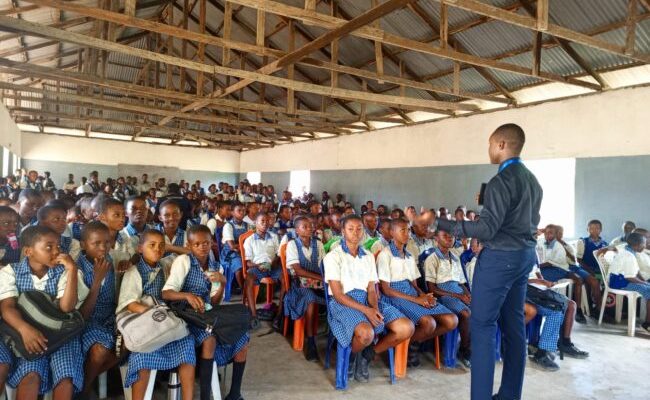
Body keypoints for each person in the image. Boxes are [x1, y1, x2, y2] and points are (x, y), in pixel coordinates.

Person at [433, 123, 542, 400]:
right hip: (523, 256)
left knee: (482, 327)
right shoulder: (532, 180)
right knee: (514, 326)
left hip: (499, 259)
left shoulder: (500, 181)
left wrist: (440, 223)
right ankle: (509, 395)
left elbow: (486, 230)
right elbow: (527, 221)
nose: (490, 150)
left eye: (491, 144)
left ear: (502, 145)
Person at [162, 225, 249, 400]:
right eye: (197, 244)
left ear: (212, 243)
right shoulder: (184, 261)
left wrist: (222, 283)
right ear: (189, 245)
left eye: (206, 243)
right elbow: (166, 293)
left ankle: (235, 393)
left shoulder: (216, 267)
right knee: (209, 338)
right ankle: (205, 395)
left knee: (243, 336)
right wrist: (187, 295)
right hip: (186, 316)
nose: (202, 247)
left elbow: (214, 302)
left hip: (208, 314)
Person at [0, 226, 87, 399]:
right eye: (49, 247)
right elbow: (7, 308)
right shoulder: (10, 271)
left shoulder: (66, 272)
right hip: (27, 337)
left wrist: (71, 271)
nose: (56, 251)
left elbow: (67, 307)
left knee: (65, 378)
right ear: (28, 251)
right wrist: (25, 330)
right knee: (31, 376)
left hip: (61, 336)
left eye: (59, 247)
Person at [324, 215, 413, 383]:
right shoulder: (333, 257)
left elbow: (372, 289)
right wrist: (367, 311)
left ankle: (367, 355)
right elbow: (338, 295)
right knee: (366, 333)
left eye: (359, 229)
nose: (355, 233)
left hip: (368, 300)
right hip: (344, 303)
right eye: (350, 229)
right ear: (343, 231)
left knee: (406, 328)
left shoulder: (368, 256)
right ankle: (351, 358)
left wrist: (375, 309)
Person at [117, 229, 196, 400]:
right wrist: (153, 314)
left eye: (161, 246)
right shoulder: (134, 271)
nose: (157, 249)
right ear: (140, 248)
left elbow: (192, 253)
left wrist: (169, 247)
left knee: (187, 342)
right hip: (146, 321)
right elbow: (130, 303)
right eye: (151, 245)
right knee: (141, 356)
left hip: (165, 322)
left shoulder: (167, 264)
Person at [378, 218, 457, 368]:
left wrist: (422, 295)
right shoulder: (385, 255)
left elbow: (414, 284)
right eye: (402, 230)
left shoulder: (408, 255)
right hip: (394, 296)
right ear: (392, 232)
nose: (407, 233)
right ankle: (406, 347)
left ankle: (412, 343)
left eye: (408, 230)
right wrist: (416, 300)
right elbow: (386, 289)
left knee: (451, 320)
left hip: (412, 294)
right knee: (428, 323)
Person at [77, 221, 120, 396]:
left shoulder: (109, 259)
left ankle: (89, 378)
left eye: (107, 242)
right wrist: (96, 282)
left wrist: (129, 262)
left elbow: (129, 257)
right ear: (83, 245)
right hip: (89, 322)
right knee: (99, 350)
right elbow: (82, 315)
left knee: (134, 341)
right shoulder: (78, 269)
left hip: (111, 317)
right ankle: (84, 389)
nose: (103, 247)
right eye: (96, 243)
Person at [525, 265, 589, 371]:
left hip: (537, 289)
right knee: (556, 309)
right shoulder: (516, 253)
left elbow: (537, 272)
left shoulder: (532, 253)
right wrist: (538, 282)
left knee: (570, 305)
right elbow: (516, 278)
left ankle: (564, 343)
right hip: (523, 290)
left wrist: (544, 282)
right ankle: (542, 353)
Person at [424, 228, 472, 368]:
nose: (449, 238)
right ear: (436, 239)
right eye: (445, 236)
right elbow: (432, 289)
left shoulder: (455, 258)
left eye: (451, 236)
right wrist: (459, 296)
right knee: (465, 314)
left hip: (458, 291)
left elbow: (461, 282)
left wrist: (467, 294)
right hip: (443, 294)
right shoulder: (432, 259)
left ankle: (474, 346)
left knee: (480, 310)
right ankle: (465, 349)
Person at [283, 216, 325, 361]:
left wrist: (323, 280)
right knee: (310, 299)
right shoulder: (292, 245)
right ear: (297, 230)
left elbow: (322, 265)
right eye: (305, 226)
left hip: (317, 282)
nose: (310, 228)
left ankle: (335, 336)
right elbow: (298, 270)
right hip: (299, 285)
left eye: (311, 225)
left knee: (334, 295)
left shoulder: (318, 244)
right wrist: (320, 278)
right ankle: (311, 342)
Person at [243, 212, 282, 329]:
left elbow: (278, 255)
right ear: (255, 223)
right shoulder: (250, 240)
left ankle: (279, 314)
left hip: (273, 267)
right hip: (257, 267)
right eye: (262, 221)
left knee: (285, 277)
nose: (265, 224)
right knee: (249, 279)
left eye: (267, 221)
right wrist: (257, 265)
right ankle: (254, 315)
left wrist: (272, 264)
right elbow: (248, 262)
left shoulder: (274, 237)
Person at [605, 232, 650, 331]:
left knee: (648, 287)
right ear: (638, 245)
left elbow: (636, 271)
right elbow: (630, 277)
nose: (646, 245)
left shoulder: (629, 251)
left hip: (622, 280)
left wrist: (644, 280)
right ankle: (647, 323)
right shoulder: (629, 256)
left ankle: (647, 322)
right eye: (644, 244)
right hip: (620, 283)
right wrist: (644, 283)